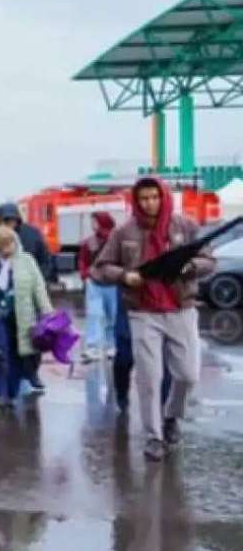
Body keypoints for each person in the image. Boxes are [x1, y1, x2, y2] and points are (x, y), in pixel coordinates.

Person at [95, 177, 215, 462]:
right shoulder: (123, 232)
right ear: (136, 201)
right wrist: (125, 276)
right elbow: (100, 268)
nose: (149, 203)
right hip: (143, 312)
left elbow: (209, 261)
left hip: (181, 309)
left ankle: (171, 416)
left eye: (154, 197)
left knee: (188, 374)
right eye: (144, 198)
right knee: (149, 377)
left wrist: (189, 266)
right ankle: (154, 436)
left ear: (163, 197)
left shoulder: (185, 226)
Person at [0, 227, 53, 410]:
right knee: (0, 351)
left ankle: (11, 391)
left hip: (21, 316)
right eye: (4, 244)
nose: (9, 247)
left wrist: (47, 312)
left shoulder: (26, 260)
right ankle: (1, 393)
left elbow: (38, 287)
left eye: (11, 243)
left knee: (19, 353)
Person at [0, 203, 54, 391]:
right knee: (5, 344)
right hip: (2, 304)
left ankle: (32, 373)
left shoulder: (32, 234)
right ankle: (8, 384)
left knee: (33, 339)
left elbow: (45, 259)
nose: (10, 223)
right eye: (5, 220)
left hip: (27, 295)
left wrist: (41, 280)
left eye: (12, 219)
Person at [79, 211, 119, 362]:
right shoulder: (89, 242)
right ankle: (93, 347)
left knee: (112, 316)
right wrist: (85, 275)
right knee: (94, 315)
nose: (92, 225)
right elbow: (83, 260)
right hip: (95, 283)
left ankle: (111, 345)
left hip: (112, 283)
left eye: (95, 221)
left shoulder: (115, 240)